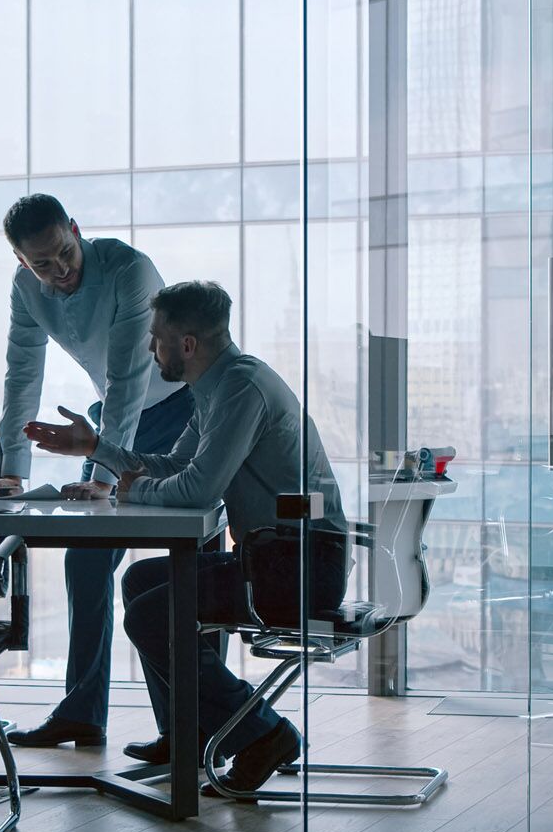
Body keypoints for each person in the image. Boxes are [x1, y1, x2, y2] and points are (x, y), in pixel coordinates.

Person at [24, 281, 350, 794]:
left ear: (188, 344)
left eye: (157, 338)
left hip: (301, 566)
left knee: (152, 614)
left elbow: (199, 488)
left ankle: (264, 732)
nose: (150, 349)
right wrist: (98, 448)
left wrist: (129, 490)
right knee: (141, 580)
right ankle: (188, 732)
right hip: (273, 557)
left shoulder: (241, 389)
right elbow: (177, 465)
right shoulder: (218, 386)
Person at [0, 194, 194, 750]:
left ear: (77, 230)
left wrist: (104, 473)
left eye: (64, 252)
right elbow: (21, 374)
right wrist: (12, 470)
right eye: (41, 263)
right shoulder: (26, 289)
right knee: (85, 556)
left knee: (188, 561)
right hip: (116, 420)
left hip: (182, 411)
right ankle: (82, 711)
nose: (59, 270)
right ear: (21, 261)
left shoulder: (130, 269)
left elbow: (127, 376)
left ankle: (189, 728)